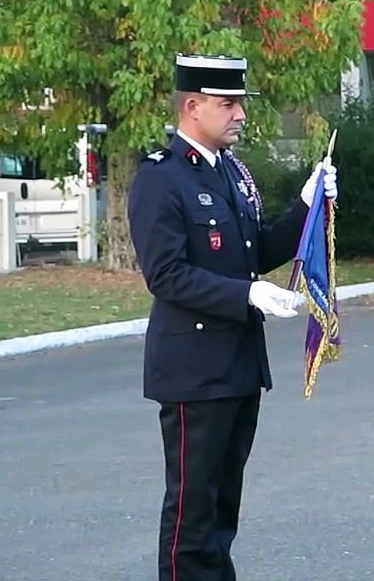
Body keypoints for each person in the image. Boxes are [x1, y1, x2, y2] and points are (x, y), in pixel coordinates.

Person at [128, 52, 337, 581]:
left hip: (238, 364)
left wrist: (306, 207)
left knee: (222, 507)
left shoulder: (232, 173)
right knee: (193, 511)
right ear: (192, 106)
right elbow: (167, 274)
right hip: (194, 368)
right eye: (228, 104)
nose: (240, 113)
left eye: (241, 103)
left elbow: (256, 248)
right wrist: (246, 295)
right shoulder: (162, 178)